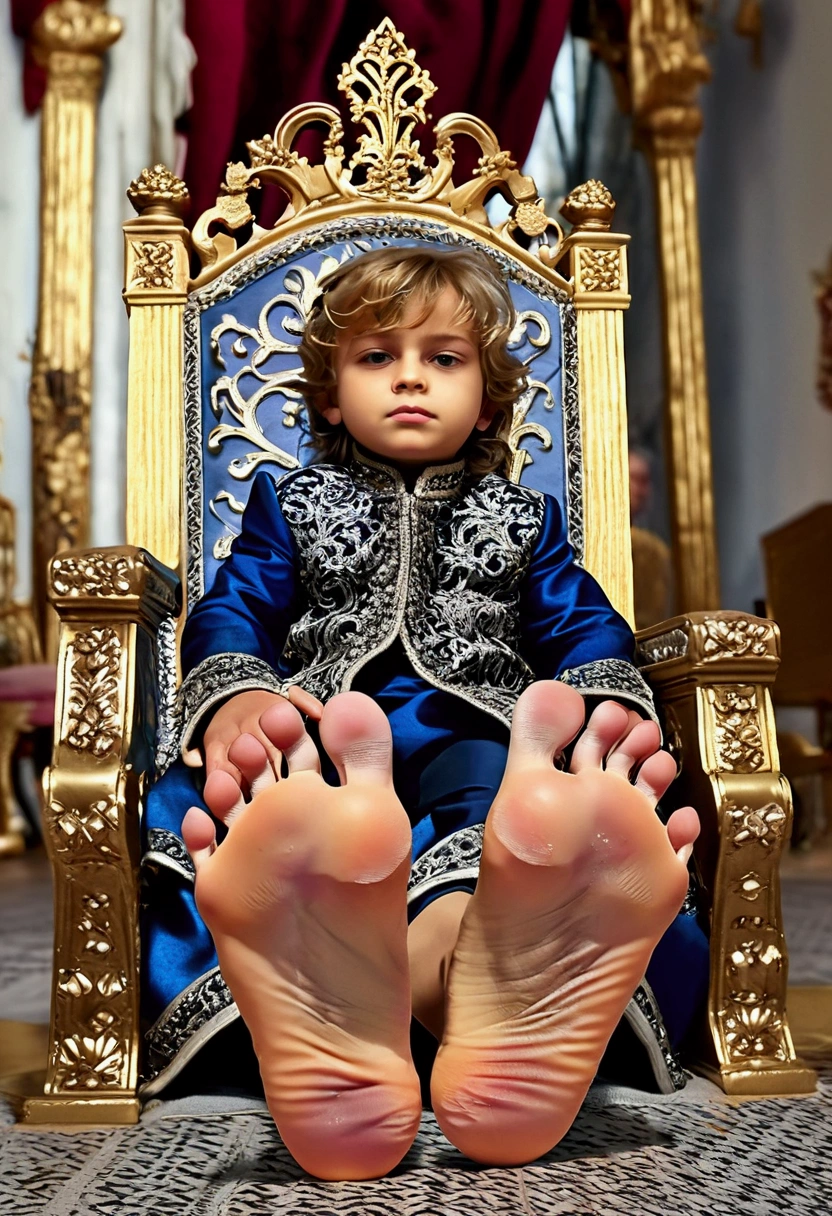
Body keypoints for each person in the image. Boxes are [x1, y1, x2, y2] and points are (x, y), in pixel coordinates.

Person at [142, 246, 708, 1181]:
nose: (410, 375)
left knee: (506, 826)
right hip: (319, 731)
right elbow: (235, 604)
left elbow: (584, 625)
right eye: (377, 357)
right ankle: (433, 977)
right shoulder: (291, 499)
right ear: (330, 396)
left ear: (487, 402)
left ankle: (403, 986)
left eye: (444, 358)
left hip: (479, 730)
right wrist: (238, 690)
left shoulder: (524, 517)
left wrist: (604, 709)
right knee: (262, 811)